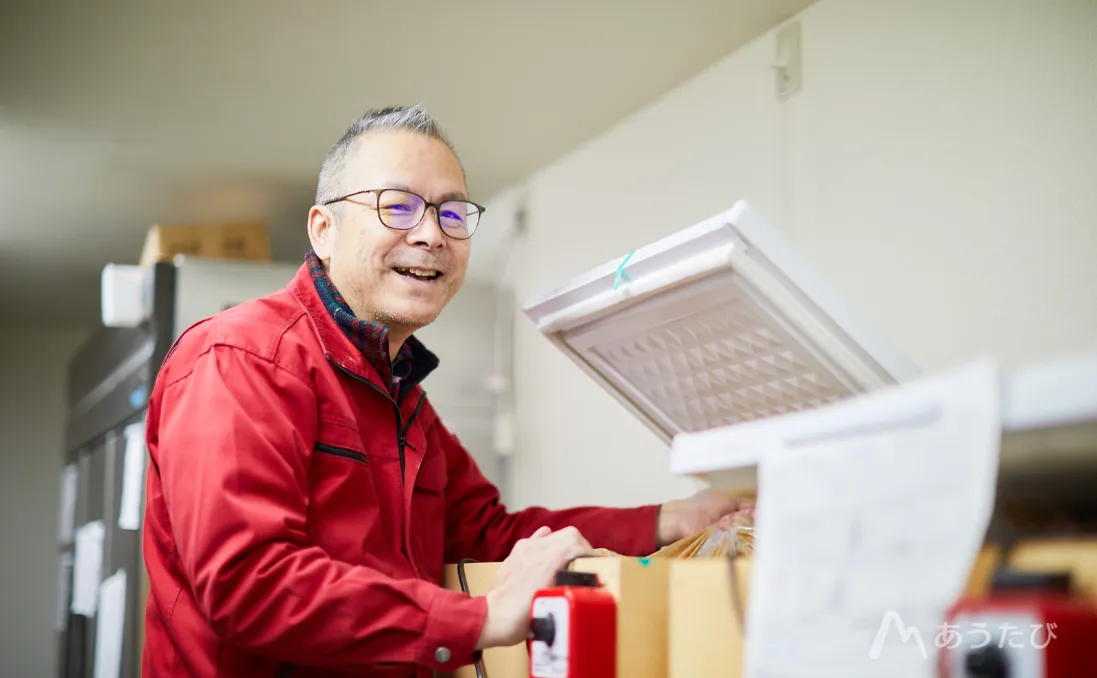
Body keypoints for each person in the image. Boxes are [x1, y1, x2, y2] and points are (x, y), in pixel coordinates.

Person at [141, 104, 741, 677]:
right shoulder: (241, 358)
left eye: (453, 215)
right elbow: (250, 582)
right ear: (324, 230)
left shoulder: (402, 400)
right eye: (398, 207)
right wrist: (479, 618)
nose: (431, 234)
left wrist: (674, 519)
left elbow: (492, 534)